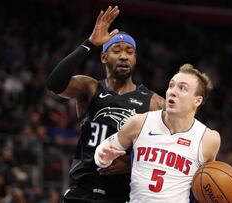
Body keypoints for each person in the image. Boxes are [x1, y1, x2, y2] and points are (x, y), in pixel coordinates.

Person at [46, 6, 165, 203]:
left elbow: (165, 149)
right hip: (81, 192)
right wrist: (90, 43)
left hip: (122, 195)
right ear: (103, 57)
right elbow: (54, 83)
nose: (124, 56)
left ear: (135, 59)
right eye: (116, 50)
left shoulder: (154, 101)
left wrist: (132, 162)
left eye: (129, 51)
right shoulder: (89, 88)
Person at [95, 64, 232, 202]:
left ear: (197, 101)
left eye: (182, 88)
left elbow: (206, 188)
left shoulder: (209, 138)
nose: (173, 92)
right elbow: (101, 154)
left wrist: (230, 194)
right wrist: (103, 157)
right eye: (171, 85)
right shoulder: (139, 122)